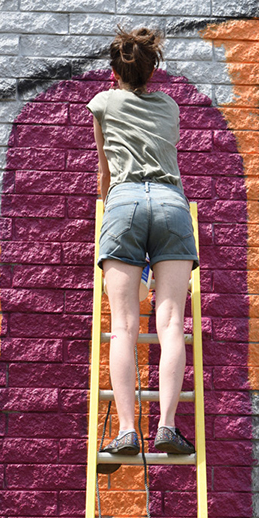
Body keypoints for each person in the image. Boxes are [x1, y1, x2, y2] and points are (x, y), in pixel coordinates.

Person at [89, 26, 198, 458]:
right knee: (170, 324)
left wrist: (109, 207)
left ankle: (129, 430)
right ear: (153, 71)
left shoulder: (102, 102)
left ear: (114, 71)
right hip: (172, 204)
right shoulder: (170, 107)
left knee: (124, 328)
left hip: (125, 202)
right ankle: (168, 426)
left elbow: (105, 172)